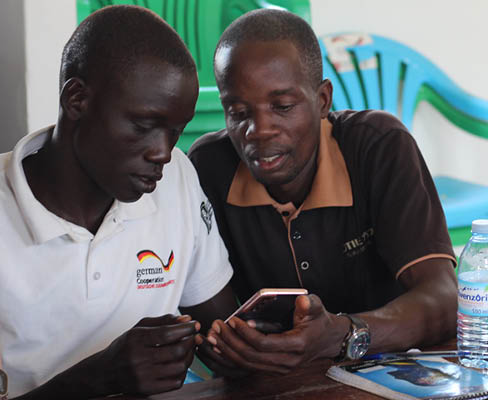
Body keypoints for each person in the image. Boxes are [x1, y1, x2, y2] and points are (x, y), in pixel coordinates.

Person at [188, 9, 458, 374]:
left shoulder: (378, 147)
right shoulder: (210, 169)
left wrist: (342, 334)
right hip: (280, 380)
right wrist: (240, 351)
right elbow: (213, 331)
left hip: (393, 367)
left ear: (322, 101)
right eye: (237, 111)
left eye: (282, 107)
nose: (258, 130)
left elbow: (445, 299)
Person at [0, 6, 238, 398]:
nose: (163, 152)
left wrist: (260, 344)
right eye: (144, 127)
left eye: (174, 132)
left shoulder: (175, 177)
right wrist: (98, 379)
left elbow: (219, 332)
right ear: (77, 99)